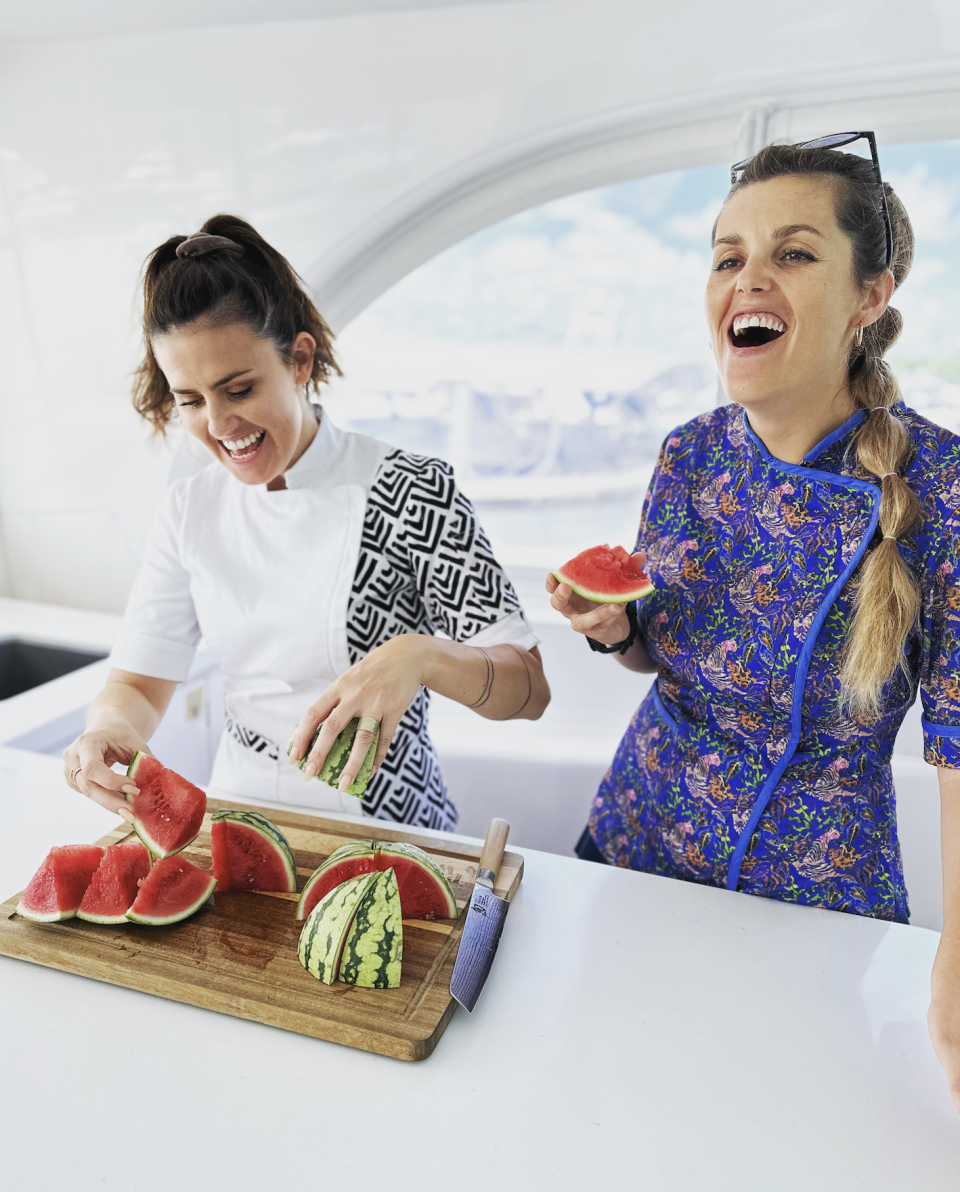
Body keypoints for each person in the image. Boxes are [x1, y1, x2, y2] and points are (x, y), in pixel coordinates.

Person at [547, 137, 960, 1108]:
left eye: (794, 253)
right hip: (636, 851)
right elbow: (659, 652)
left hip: (816, 903)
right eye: (728, 256)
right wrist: (616, 630)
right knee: (609, 1112)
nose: (749, 278)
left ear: (871, 296)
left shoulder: (943, 487)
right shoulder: (686, 456)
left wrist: (955, 961)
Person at [65, 215, 549, 831]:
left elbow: (529, 691)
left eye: (237, 389)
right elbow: (136, 686)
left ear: (298, 359)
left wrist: (419, 656)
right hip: (239, 812)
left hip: (389, 825)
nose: (217, 424)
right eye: (190, 400)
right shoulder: (191, 508)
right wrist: (105, 731)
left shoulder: (412, 488)